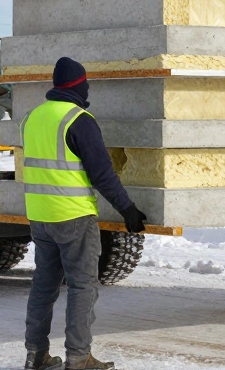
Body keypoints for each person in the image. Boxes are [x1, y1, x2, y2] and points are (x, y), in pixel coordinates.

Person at [21, 57, 147, 370]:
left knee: (43, 286)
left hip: (40, 215)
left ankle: (35, 355)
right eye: (85, 82)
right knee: (82, 286)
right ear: (79, 84)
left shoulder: (32, 117)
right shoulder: (78, 119)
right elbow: (102, 173)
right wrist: (127, 209)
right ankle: (78, 358)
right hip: (73, 216)